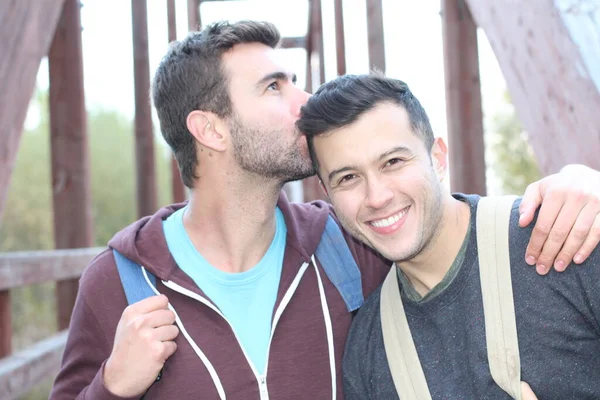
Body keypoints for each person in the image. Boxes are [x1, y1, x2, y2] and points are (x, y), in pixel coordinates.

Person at [50, 21, 600, 399]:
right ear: (209, 129)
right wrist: (113, 388)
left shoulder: (347, 247)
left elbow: (446, 230)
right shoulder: (119, 281)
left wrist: (580, 184)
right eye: (274, 87)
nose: (305, 102)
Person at [298, 72, 600, 399]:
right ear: (328, 194)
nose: (377, 196)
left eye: (393, 162)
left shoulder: (562, 238)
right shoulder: (368, 351)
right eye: (348, 178)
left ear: (438, 158)